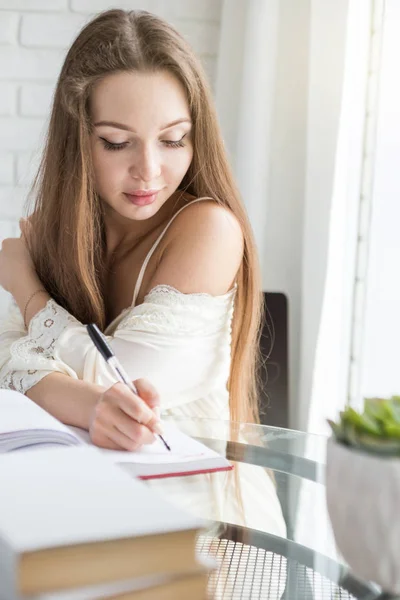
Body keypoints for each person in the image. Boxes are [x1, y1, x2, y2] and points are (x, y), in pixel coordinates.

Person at [0, 10, 286, 565]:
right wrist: (89, 403)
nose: (149, 171)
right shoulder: (68, 232)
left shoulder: (208, 229)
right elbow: (7, 361)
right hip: (86, 516)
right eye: (116, 143)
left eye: (174, 140)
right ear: (78, 141)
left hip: (209, 539)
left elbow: (124, 382)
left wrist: (26, 288)